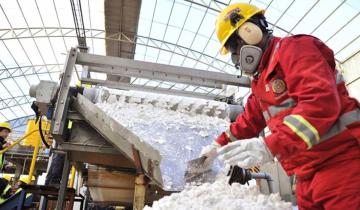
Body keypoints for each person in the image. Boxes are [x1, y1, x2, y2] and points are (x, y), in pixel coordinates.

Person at [200, 3, 360, 209]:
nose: (236, 59)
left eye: (233, 48)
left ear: (249, 33)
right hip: (305, 176)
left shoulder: (295, 49)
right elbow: (248, 121)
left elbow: (320, 103)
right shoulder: (261, 81)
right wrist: (216, 147)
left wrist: (269, 146)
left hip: (341, 166)